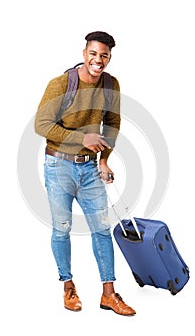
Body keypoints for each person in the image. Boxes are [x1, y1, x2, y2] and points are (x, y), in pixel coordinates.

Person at [34, 31, 136, 316]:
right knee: (62, 229)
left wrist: (104, 160)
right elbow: (41, 124)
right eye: (93, 53)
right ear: (84, 54)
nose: (98, 60)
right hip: (58, 166)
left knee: (101, 230)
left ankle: (109, 294)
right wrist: (83, 139)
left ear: (109, 58)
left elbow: (112, 124)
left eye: (104, 55)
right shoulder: (61, 84)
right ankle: (68, 286)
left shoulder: (110, 85)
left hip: (90, 169)